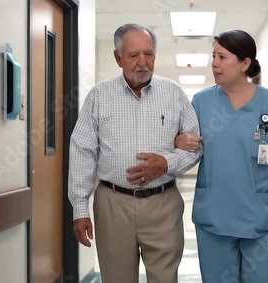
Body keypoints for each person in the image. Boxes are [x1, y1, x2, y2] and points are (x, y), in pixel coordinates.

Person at [68, 23, 202, 283]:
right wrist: (80, 208)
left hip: (163, 204)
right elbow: (82, 150)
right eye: (133, 55)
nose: (143, 62)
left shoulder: (174, 93)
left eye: (149, 54)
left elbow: (196, 146)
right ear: (119, 58)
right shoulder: (99, 95)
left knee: (165, 279)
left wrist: (166, 163)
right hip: (112, 204)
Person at [175, 30, 268, 283]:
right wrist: (179, 139)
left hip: (261, 217)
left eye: (222, 57)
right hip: (214, 216)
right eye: (213, 56)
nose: (214, 63)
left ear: (245, 64)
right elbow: (184, 141)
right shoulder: (202, 102)